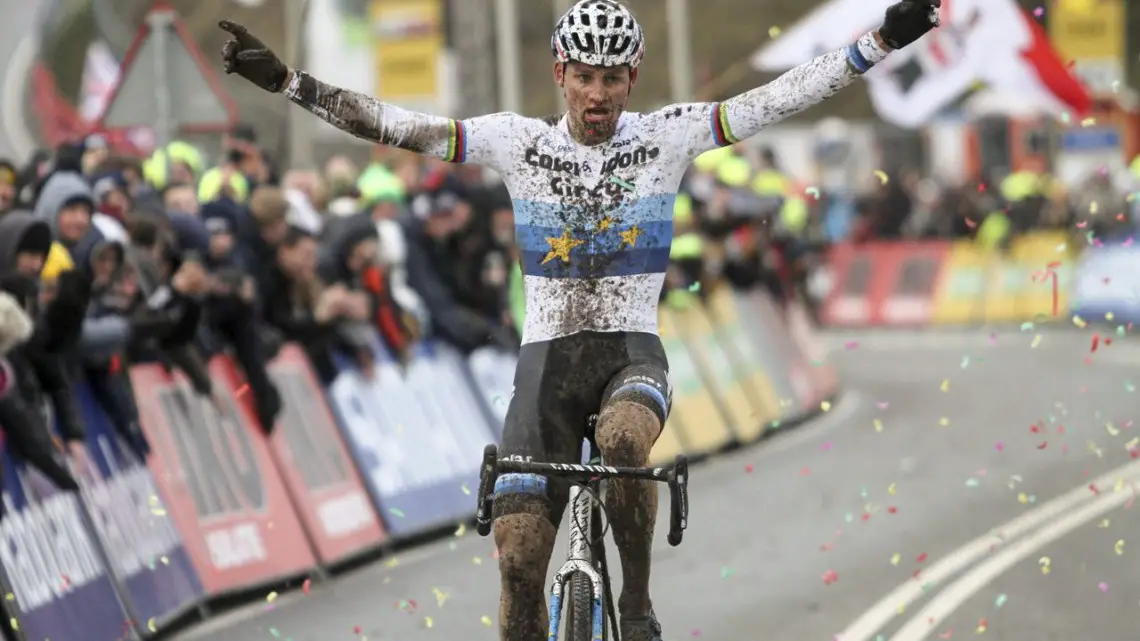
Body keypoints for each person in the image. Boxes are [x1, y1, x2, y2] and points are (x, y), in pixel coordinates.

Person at [217, 1, 940, 638]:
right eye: (585, 76)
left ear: (632, 80)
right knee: (519, 560)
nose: (598, 94)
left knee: (626, 440)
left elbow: (776, 99)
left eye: (612, 78)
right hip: (546, 367)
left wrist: (878, 41)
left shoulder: (669, 135)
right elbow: (396, 125)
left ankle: (635, 604)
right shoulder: (515, 141)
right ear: (560, 73)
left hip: (631, 352)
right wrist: (287, 81)